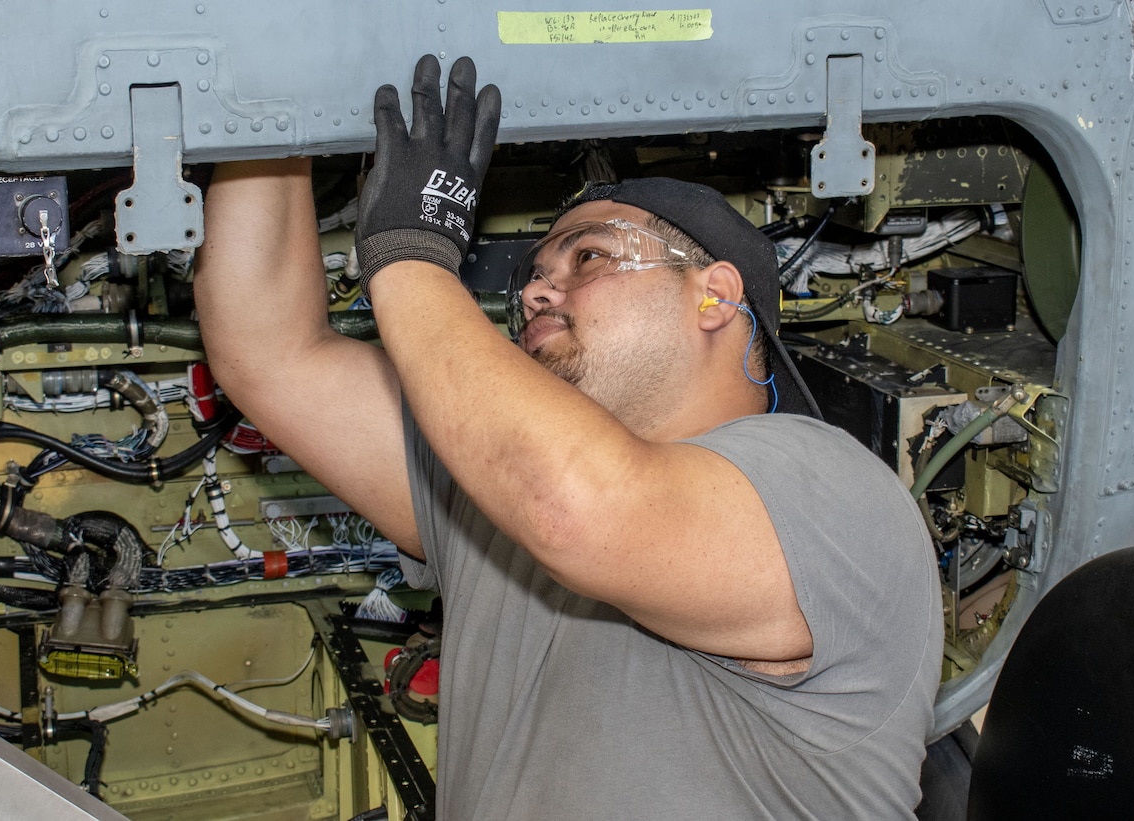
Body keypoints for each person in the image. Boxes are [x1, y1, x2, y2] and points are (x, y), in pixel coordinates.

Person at [196, 54, 943, 819]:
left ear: (715, 296)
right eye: (534, 271)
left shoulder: (834, 493)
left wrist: (411, 254)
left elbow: (579, 507)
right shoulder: (496, 495)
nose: (534, 289)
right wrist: (269, 94)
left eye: (589, 256)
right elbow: (268, 349)